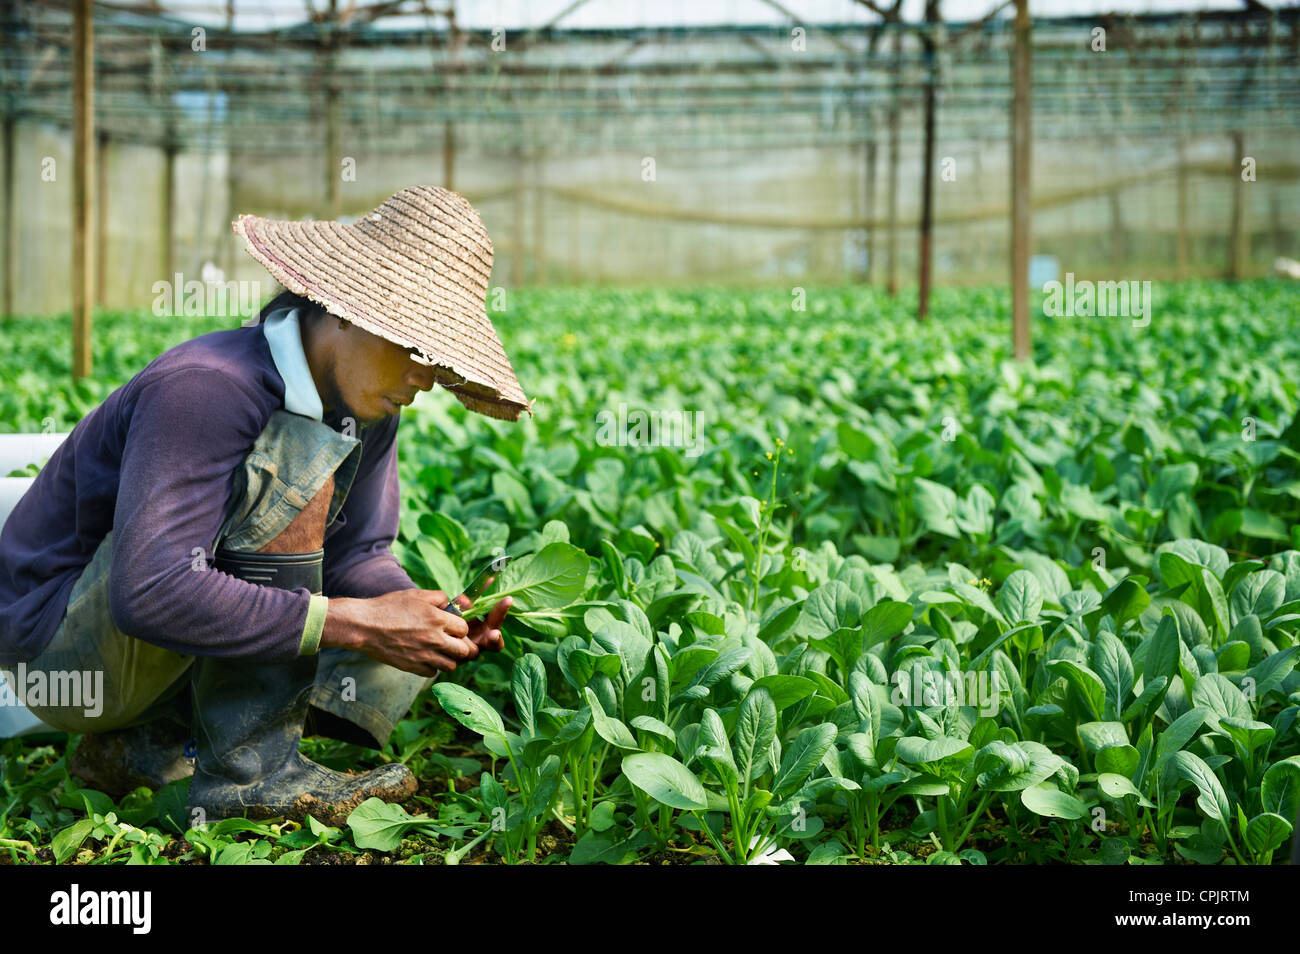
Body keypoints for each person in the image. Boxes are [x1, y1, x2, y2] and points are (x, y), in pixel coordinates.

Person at [0, 185, 533, 826]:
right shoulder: (207, 388)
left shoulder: (366, 408)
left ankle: (148, 744)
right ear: (344, 310)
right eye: (414, 348)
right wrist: (357, 623)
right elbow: (150, 590)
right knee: (298, 477)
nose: (426, 377)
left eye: (439, 358)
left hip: (142, 667)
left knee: (374, 603)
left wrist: (421, 616)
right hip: (59, 649)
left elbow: (359, 554)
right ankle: (253, 775)